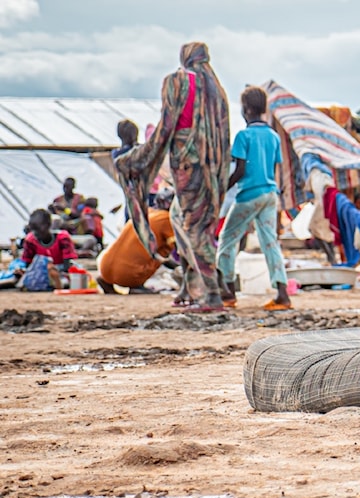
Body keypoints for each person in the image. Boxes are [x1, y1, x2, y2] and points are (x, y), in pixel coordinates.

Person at [114, 41, 230, 313]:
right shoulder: (216, 89)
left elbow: (167, 125)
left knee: (192, 228)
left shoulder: (177, 81)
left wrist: (141, 157)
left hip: (186, 164)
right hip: (211, 168)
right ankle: (190, 287)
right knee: (180, 220)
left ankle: (212, 294)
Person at [216, 85, 292, 311]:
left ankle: (228, 291)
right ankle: (282, 294)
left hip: (249, 195)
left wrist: (221, 190)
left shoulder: (243, 136)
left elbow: (239, 170)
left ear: (246, 109)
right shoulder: (273, 135)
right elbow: (273, 168)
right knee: (270, 243)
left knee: (227, 239)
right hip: (270, 194)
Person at [96, 188, 178, 295]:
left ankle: (109, 279)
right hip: (129, 276)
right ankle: (136, 283)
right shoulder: (166, 219)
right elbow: (178, 247)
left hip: (104, 268)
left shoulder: (146, 212)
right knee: (163, 250)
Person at [15, 209, 78, 291]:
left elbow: (67, 262)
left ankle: (58, 282)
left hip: (60, 271)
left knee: (75, 275)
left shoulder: (62, 238)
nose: (35, 233)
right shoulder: (30, 240)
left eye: (38, 229)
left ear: (48, 225)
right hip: (40, 272)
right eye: (33, 230)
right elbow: (28, 262)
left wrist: (58, 271)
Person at [49, 177, 103, 247]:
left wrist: (65, 210)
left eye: (68, 186)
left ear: (73, 187)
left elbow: (79, 214)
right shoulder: (57, 199)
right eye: (64, 186)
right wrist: (52, 210)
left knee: (88, 219)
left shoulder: (79, 198)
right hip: (61, 223)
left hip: (75, 223)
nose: (65, 189)